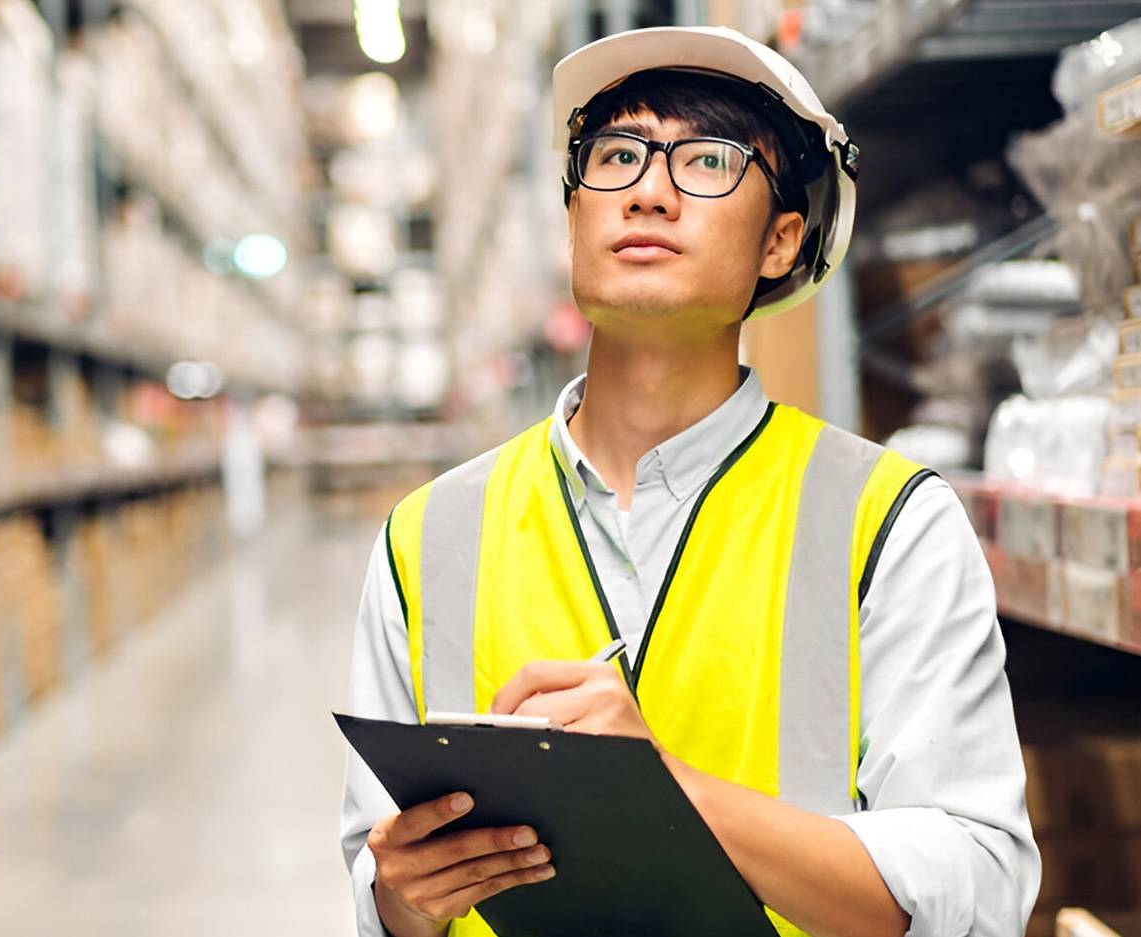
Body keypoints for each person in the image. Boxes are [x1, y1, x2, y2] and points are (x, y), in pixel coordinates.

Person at [339, 26, 1038, 937]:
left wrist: (669, 788)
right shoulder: (426, 534)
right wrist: (400, 896)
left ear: (781, 241)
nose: (648, 191)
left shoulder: (889, 522)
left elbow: (978, 888)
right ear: (573, 214)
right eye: (616, 156)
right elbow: (373, 878)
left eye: (706, 161)